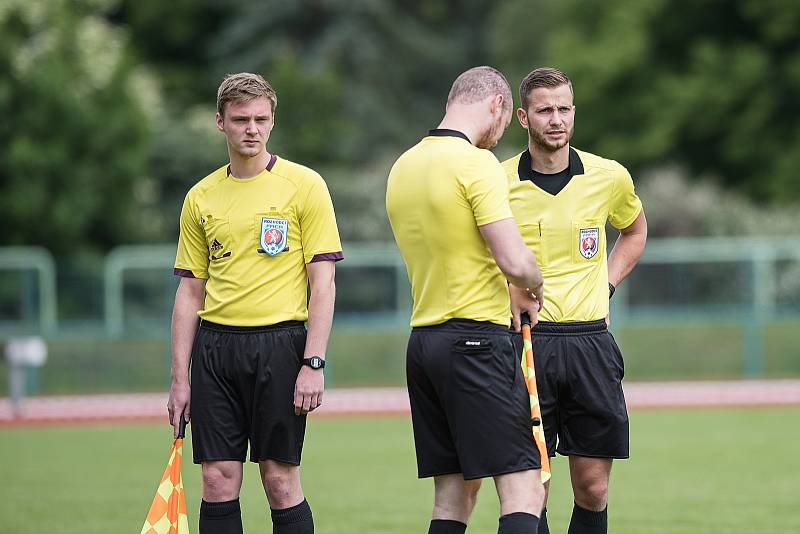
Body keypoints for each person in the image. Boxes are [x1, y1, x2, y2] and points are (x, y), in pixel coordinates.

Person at [167, 72, 343, 534]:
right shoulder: (200, 197)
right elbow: (189, 292)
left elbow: (323, 284)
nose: (252, 128)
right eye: (241, 119)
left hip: (281, 347)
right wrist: (179, 380)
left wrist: (315, 361)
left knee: (279, 480)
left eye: (260, 119)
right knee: (217, 478)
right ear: (219, 122)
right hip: (216, 350)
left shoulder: (304, 186)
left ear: (272, 121)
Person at [386, 66, 547, 534]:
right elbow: (515, 261)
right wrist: (534, 282)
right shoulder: (475, 163)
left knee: (453, 494)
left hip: (425, 345)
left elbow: (453, 247)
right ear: (496, 105)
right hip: (476, 341)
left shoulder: (404, 165)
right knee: (524, 486)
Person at [503, 67, 648, 534]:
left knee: (593, 489)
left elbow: (635, 231)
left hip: (590, 343)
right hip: (525, 345)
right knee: (530, 491)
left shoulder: (609, 177)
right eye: (545, 110)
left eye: (564, 108)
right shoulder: (496, 182)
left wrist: (605, 285)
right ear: (523, 117)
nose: (556, 119)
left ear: (574, 112)